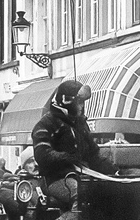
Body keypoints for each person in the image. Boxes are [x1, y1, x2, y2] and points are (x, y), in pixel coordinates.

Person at [31, 79, 111, 209]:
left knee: (111, 190)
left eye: (83, 102)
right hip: (56, 179)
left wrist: (113, 170)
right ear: (66, 101)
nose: (82, 106)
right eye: (79, 102)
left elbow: (93, 153)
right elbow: (42, 155)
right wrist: (67, 157)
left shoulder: (81, 124)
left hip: (83, 175)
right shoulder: (45, 124)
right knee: (79, 194)